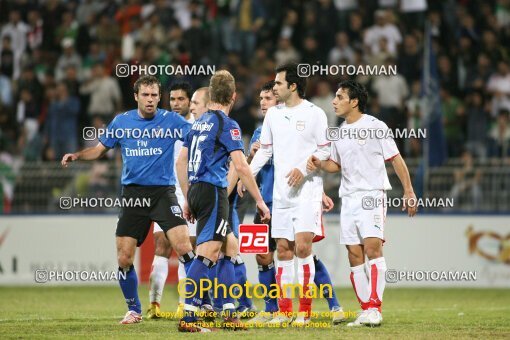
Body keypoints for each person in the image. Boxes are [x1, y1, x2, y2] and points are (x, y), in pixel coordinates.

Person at [61, 75, 195, 324]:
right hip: (133, 196)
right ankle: (134, 309)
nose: (151, 100)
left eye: (155, 95)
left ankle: (198, 305)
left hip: (163, 194)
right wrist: (77, 156)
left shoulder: (172, 120)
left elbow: (197, 139)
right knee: (124, 258)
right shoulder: (122, 122)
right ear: (136, 97)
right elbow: (100, 149)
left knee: (185, 249)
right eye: (145, 95)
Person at [307, 80, 417, 327]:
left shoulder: (376, 127)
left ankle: (376, 308)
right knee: (353, 253)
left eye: (339, 97)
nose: (334, 101)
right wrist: (320, 163)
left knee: (372, 249)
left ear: (354, 101)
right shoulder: (339, 131)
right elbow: (336, 165)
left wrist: (409, 191)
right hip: (349, 197)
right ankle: (366, 308)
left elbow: (396, 159)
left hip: (371, 195)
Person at [176, 70, 270, 332]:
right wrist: (260, 202)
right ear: (233, 96)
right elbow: (241, 166)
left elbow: (181, 161)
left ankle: (229, 312)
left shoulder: (198, 123)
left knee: (231, 247)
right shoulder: (228, 125)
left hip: (196, 189)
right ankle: (189, 315)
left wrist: (187, 198)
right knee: (208, 253)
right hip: (214, 192)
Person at [244, 81, 345, 326]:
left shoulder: (303, 117)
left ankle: (332, 304)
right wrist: (247, 166)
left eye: (267, 98)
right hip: (265, 202)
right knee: (263, 256)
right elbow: (251, 163)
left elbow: (314, 153)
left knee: (304, 251)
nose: (262, 103)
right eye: (260, 98)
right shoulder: (261, 131)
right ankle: (274, 309)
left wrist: (317, 191)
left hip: (295, 197)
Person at [147, 83, 213, 319]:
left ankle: (185, 304)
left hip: (190, 194)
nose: (176, 103)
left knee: (189, 249)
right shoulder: (162, 124)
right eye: (172, 99)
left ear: (190, 102)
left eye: (182, 99)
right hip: (165, 193)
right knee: (161, 246)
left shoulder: (198, 127)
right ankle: (154, 305)